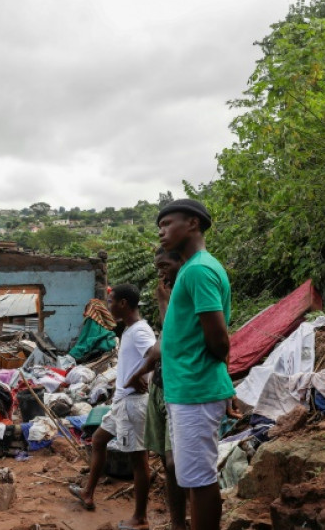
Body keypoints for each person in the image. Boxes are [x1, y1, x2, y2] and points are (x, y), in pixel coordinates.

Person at [157, 199, 235, 530]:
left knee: (201, 480)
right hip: (187, 390)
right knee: (192, 476)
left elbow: (218, 339)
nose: (161, 232)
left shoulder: (200, 270)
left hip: (196, 390)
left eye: (167, 223)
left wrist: (215, 381)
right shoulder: (190, 269)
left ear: (192, 223)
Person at [69, 284, 155, 530]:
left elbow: (157, 354)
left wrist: (140, 376)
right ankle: (88, 493)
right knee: (98, 440)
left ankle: (140, 518)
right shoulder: (129, 330)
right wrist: (132, 376)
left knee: (139, 460)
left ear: (124, 304)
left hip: (133, 404)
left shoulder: (140, 331)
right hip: (122, 401)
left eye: (111, 302)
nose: (108, 307)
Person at [125, 246, 187, 530]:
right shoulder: (173, 298)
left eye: (164, 265)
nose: (160, 273)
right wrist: (141, 372)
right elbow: (161, 345)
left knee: (178, 464)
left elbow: (175, 340)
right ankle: (177, 523)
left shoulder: (187, 295)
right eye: (157, 267)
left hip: (181, 390)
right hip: (161, 388)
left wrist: (164, 304)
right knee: (167, 462)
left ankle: (188, 521)